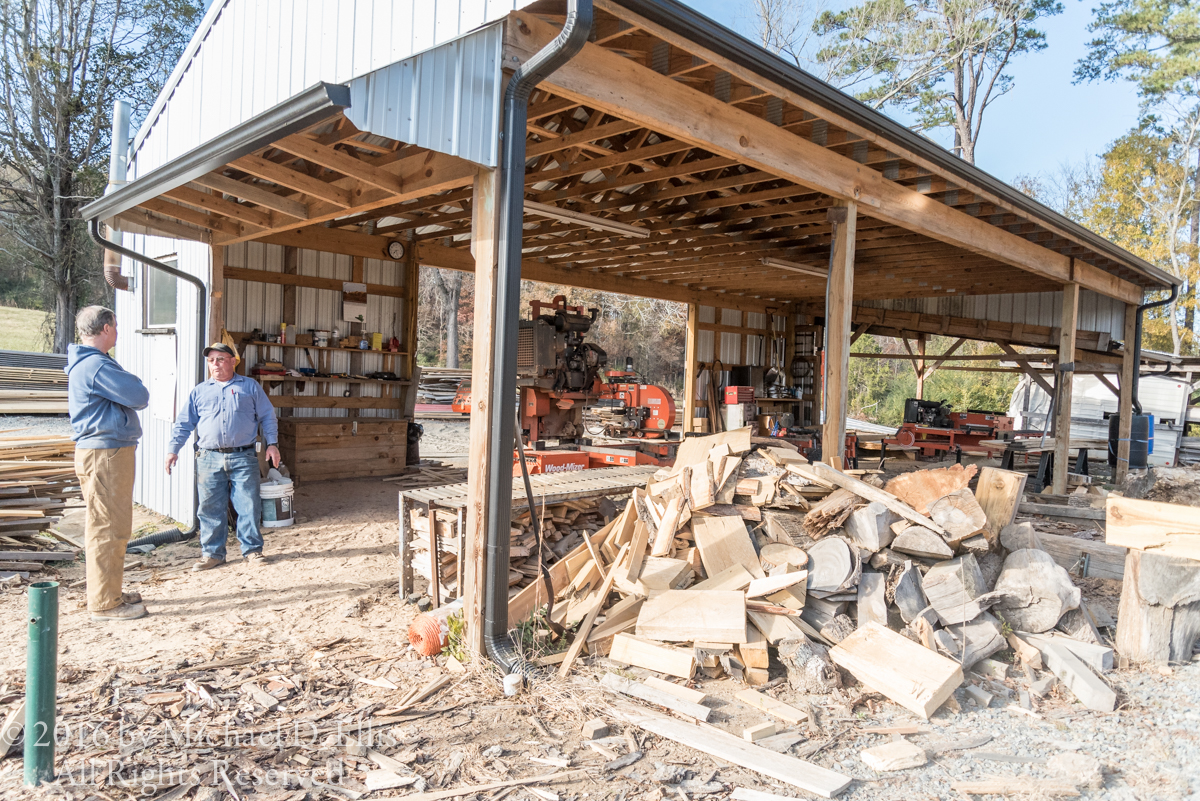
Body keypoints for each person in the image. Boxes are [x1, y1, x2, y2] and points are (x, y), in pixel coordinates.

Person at [66, 306, 150, 621]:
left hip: (104, 451)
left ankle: (109, 591)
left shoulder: (90, 364)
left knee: (112, 525)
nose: (117, 331)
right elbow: (139, 395)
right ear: (105, 328)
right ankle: (104, 603)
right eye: (115, 325)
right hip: (106, 453)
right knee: (108, 527)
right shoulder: (96, 366)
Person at [166, 343, 280, 571]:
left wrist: (272, 444)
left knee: (248, 505)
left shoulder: (250, 387)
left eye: (220, 359)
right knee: (209, 508)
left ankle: (252, 551)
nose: (214, 364)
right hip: (209, 457)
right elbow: (184, 423)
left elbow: (267, 416)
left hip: (243, 455)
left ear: (232, 361)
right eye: (210, 360)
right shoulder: (200, 391)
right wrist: (173, 449)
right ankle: (213, 554)